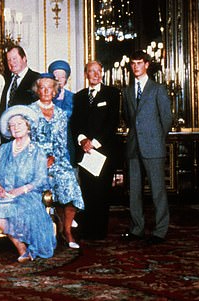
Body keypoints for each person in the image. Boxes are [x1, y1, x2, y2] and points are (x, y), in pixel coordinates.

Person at [0, 105, 56, 262]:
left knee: (12, 208)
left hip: (28, 195)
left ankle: (28, 247)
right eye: (12, 125)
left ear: (28, 126)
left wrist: (20, 190)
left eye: (19, 124)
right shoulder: (4, 149)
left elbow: (40, 180)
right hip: (5, 194)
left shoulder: (37, 150)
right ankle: (21, 247)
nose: (16, 128)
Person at [122, 50, 172, 245]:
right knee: (134, 191)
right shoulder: (127, 91)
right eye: (133, 63)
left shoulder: (157, 89)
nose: (136, 66)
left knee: (158, 190)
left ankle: (160, 231)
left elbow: (166, 118)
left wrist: (157, 138)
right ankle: (137, 228)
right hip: (134, 146)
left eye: (139, 63)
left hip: (153, 146)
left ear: (147, 65)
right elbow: (128, 118)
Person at [29, 74, 84, 249]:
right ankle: (38, 234)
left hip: (57, 160)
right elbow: (27, 141)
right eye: (42, 88)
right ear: (37, 91)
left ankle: (66, 231)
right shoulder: (29, 111)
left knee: (70, 186)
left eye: (49, 88)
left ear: (55, 91)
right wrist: (40, 159)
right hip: (34, 161)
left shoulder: (60, 114)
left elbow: (62, 142)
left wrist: (53, 158)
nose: (45, 91)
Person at [70, 61, 121, 240]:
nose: (96, 74)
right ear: (86, 74)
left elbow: (112, 122)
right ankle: (87, 230)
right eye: (92, 71)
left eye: (99, 71)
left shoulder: (112, 94)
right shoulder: (79, 97)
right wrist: (82, 140)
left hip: (103, 151)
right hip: (84, 152)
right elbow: (75, 123)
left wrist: (94, 142)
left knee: (102, 192)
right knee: (87, 192)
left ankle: (99, 231)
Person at [0, 46, 40, 141]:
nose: (11, 62)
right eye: (9, 60)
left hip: (27, 136)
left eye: (14, 58)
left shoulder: (36, 79)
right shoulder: (6, 80)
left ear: (24, 58)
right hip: (8, 134)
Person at [48, 59, 75, 161]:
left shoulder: (74, 98)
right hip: (50, 144)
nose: (59, 79)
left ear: (66, 79)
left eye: (62, 77)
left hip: (69, 143)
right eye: (56, 76)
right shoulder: (45, 97)